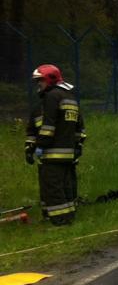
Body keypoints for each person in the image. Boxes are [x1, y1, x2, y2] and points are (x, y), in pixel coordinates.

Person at [25, 65, 85, 225]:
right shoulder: (70, 98)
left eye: (41, 80)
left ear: (50, 79)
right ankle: (67, 216)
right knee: (66, 186)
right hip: (68, 154)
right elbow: (80, 127)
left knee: (52, 187)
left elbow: (48, 127)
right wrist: (78, 147)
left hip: (52, 154)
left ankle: (60, 221)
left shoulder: (52, 97)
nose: (39, 84)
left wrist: (37, 146)